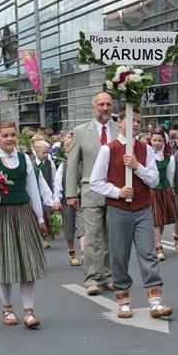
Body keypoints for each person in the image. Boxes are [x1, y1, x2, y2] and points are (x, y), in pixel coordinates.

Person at [89, 107, 173, 319]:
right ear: (120, 121)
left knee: (148, 253)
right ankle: (123, 299)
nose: (135, 124)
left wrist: (137, 167)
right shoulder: (109, 149)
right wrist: (118, 192)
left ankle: (155, 300)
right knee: (119, 255)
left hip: (143, 208)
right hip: (118, 210)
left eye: (138, 121)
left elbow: (154, 180)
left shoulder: (146, 149)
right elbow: (95, 182)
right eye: (131, 120)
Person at [0, 121, 49, 327]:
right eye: (5, 136)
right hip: (2, 215)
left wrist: (39, 218)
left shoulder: (25, 159)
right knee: (6, 262)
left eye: (12, 135)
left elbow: (33, 190)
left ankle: (29, 311)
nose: (10, 139)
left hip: (23, 213)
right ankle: (8, 308)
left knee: (27, 262)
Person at [66, 92, 120, 296]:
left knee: (110, 237)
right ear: (93, 107)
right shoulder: (81, 131)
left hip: (116, 192)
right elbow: (73, 165)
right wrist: (71, 193)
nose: (105, 108)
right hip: (91, 192)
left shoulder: (120, 129)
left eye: (108, 104)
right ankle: (91, 278)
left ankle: (107, 276)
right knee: (92, 237)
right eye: (101, 104)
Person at [53, 137, 84, 267]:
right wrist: (56, 200)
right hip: (66, 201)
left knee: (83, 225)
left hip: (82, 200)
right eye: (68, 152)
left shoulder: (84, 165)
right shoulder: (63, 166)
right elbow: (58, 184)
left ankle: (84, 251)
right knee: (69, 228)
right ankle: (72, 255)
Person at [149, 130, 178, 262]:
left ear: (164, 141)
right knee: (156, 218)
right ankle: (158, 246)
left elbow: (170, 175)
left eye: (159, 140)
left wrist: (168, 189)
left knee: (162, 218)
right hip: (152, 189)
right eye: (154, 140)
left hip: (164, 188)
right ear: (150, 140)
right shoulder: (147, 154)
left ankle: (156, 242)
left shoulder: (169, 157)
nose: (157, 143)